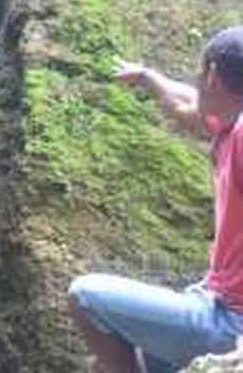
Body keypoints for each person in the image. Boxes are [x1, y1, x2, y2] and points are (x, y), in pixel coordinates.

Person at [67, 26, 243, 373]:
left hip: (228, 322)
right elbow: (184, 104)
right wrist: (146, 77)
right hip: (211, 299)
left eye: (198, 72)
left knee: (84, 296)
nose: (194, 80)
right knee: (106, 364)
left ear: (212, 76)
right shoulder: (228, 120)